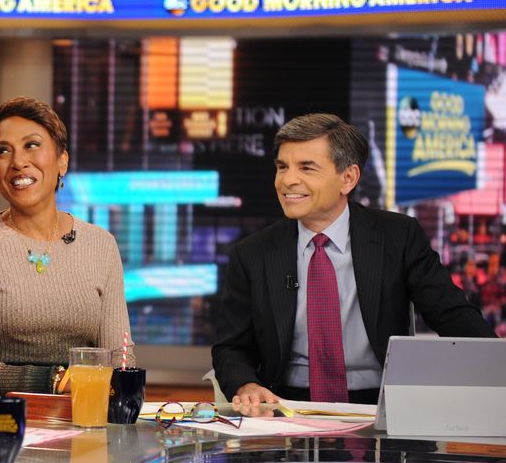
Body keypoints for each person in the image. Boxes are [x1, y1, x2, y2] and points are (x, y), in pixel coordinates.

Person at [212, 113, 496, 406]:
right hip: (287, 405)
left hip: (380, 402)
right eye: (282, 167)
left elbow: (453, 316)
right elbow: (231, 348)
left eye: (306, 168)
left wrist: (497, 368)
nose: (287, 180)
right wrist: (246, 384)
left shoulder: (397, 236)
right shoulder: (253, 253)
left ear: (348, 178)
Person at [0, 97, 131, 396]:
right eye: (2, 151)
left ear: (63, 160)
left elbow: (121, 356)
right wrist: (51, 381)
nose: (18, 162)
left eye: (32, 145)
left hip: (82, 415)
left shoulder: (101, 245)